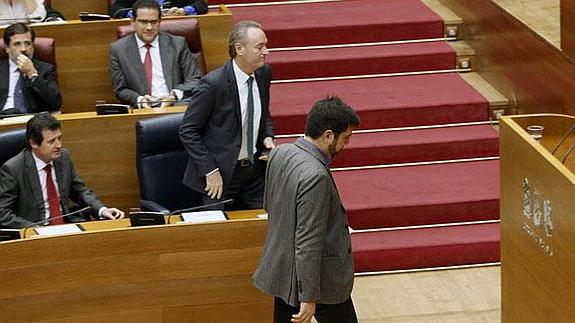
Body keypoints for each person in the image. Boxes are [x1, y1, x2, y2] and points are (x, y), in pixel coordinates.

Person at [253, 96, 361, 323]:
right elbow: (308, 240)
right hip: (320, 281)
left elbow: (270, 206)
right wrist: (309, 296)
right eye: (346, 138)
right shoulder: (316, 176)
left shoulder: (280, 153)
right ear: (328, 135)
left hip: (283, 270)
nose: (346, 145)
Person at [179, 20, 275, 210]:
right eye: (260, 47)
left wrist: (267, 137)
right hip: (219, 174)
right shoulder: (213, 84)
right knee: (218, 235)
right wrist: (210, 170)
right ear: (239, 49)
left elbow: (263, 111)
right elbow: (187, 131)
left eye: (266, 46)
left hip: (254, 172)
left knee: (266, 226)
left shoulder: (263, 73)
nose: (266, 52)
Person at [0, 113, 125, 229]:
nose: (58, 145)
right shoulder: (13, 169)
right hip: (34, 233)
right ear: (33, 143)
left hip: (65, 227)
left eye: (59, 138)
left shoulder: (63, 157)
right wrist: (33, 229)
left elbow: (80, 191)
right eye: (51, 141)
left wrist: (102, 210)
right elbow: (3, 213)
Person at [109, 0, 202, 108]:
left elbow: (194, 79)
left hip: (176, 107)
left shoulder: (178, 44)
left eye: (153, 22)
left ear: (159, 21)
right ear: (132, 21)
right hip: (142, 111)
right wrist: (140, 100)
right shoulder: (118, 49)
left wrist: (174, 95)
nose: (149, 27)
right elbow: (121, 89)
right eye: (143, 22)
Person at [0, 22, 61, 115]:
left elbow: (56, 103)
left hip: (33, 123)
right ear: (7, 48)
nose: (23, 49)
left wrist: (32, 73)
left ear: (32, 46)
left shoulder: (46, 69)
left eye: (28, 43)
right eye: (17, 44)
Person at [110, 0, 208, 19]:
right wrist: (138, 13)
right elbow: (115, 10)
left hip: (173, 30)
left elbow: (201, 5)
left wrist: (183, 11)